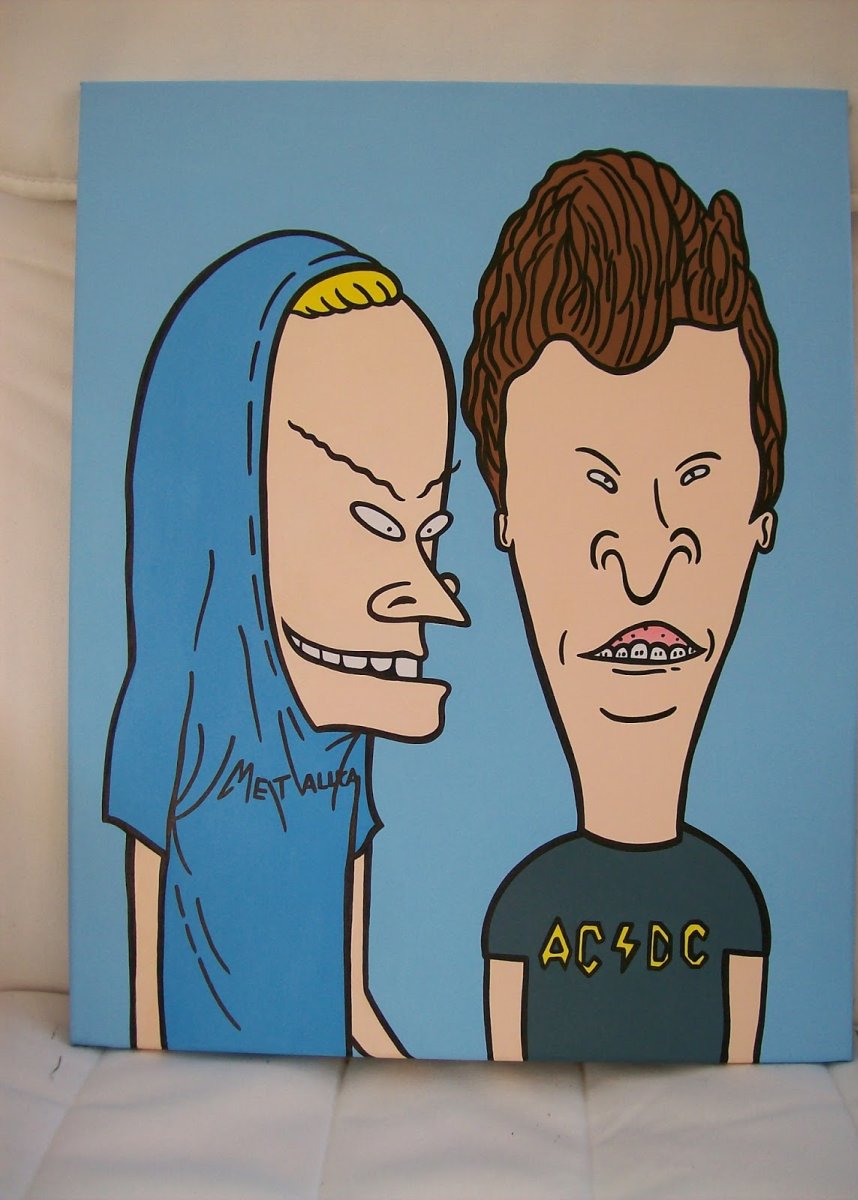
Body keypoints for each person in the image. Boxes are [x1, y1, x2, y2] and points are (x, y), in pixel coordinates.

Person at [104, 230, 468, 1057]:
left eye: (429, 531)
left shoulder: (341, 741)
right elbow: (141, 993)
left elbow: (351, 994)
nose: (433, 598)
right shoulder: (166, 724)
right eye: (372, 523)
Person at [462, 150, 786, 1063]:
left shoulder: (732, 901)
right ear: (506, 523)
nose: (644, 564)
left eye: (696, 477)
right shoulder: (520, 908)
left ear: (759, 519)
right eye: (589, 486)